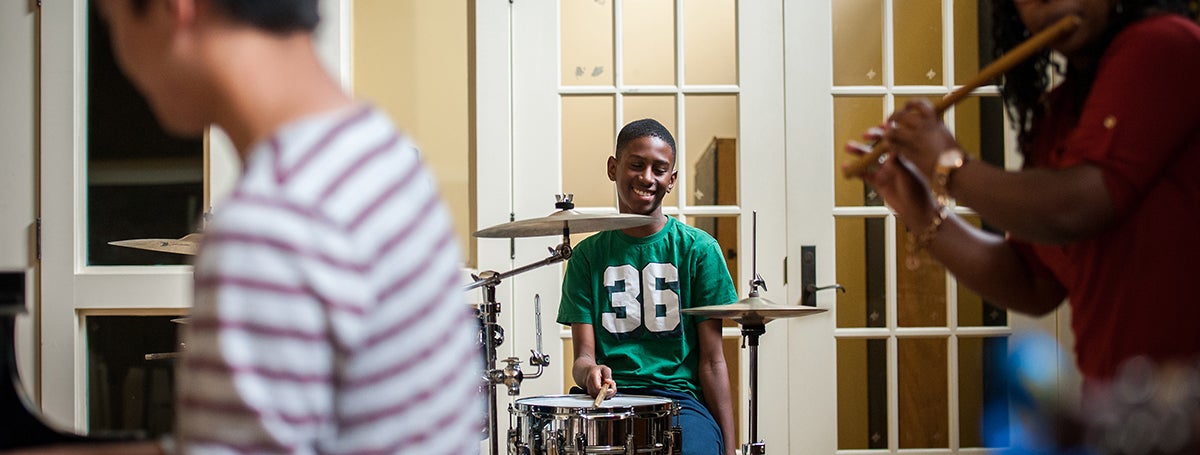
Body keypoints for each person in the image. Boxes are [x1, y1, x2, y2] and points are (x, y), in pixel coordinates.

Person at [28, 1, 483, 453]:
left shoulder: (270, 225)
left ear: (176, 9)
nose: (121, 59)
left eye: (112, 22)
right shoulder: (378, 152)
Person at [845, 0, 1200, 411]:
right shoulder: (1061, 109)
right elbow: (1033, 282)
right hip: (1121, 414)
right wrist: (917, 208)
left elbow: (1078, 206)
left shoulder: (1164, 44)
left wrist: (949, 164)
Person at [556, 119, 738, 455]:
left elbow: (713, 362)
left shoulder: (699, 251)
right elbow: (582, 357)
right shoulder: (586, 257)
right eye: (636, 165)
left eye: (659, 169)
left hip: (681, 403)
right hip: (610, 401)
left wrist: (730, 448)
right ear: (613, 168)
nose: (647, 177)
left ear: (672, 180)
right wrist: (590, 373)